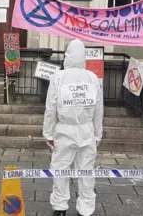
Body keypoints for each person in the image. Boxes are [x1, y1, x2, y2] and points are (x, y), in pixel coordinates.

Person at [43, 39, 104, 216]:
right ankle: (85, 209)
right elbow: (99, 109)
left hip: (64, 130)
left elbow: (51, 107)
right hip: (87, 130)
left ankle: (60, 207)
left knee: (60, 169)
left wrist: (48, 132)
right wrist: (98, 134)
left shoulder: (58, 77)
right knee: (86, 171)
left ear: (67, 56)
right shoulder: (92, 77)